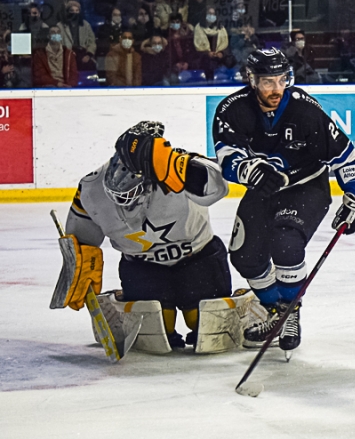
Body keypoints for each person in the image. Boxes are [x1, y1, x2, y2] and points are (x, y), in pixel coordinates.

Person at [212, 49, 355, 357]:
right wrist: (250, 170)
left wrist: (352, 195)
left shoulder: (304, 110)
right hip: (264, 189)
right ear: (252, 80)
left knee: (285, 244)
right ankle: (275, 311)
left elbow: (345, 155)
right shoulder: (233, 109)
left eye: (281, 80)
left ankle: (290, 312)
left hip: (306, 187)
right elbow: (228, 158)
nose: (276, 89)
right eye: (268, 82)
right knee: (244, 256)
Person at [52, 121, 232, 350]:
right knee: (157, 335)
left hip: (199, 257)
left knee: (205, 326)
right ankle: (128, 297)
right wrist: (80, 263)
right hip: (143, 267)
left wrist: (184, 168)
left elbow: (219, 186)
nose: (125, 202)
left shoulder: (174, 166)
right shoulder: (91, 187)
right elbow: (82, 240)